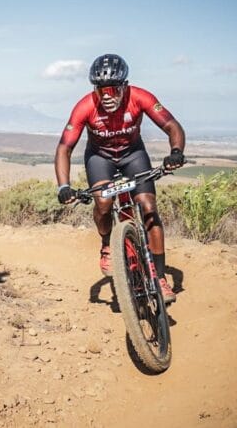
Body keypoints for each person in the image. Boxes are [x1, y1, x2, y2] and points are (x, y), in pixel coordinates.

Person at [54, 53, 185, 303]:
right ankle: (107, 245)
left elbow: (172, 126)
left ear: (124, 86)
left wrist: (176, 152)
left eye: (113, 89)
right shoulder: (85, 106)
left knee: (148, 208)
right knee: (103, 203)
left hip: (133, 155)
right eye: (100, 89)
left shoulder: (141, 97)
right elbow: (64, 148)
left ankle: (159, 278)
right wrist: (64, 186)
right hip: (100, 158)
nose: (106, 95)